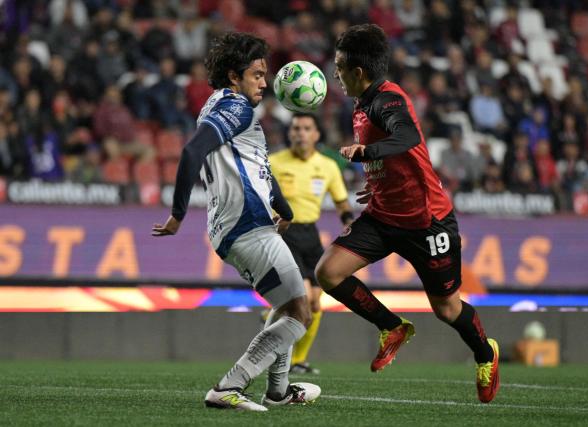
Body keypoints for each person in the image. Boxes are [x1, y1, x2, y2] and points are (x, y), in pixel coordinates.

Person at [314, 24, 500, 403]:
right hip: (384, 216)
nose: (335, 74)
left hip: (426, 222)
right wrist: (377, 180)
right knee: (328, 273)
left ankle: (486, 354)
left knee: (447, 310)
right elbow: (397, 157)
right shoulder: (361, 103)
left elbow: (407, 138)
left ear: (359, 72)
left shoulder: (387, 99)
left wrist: (366, 154)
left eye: (339, 67)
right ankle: (392, 327)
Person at [152, 32, 320, 411]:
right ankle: (231, 384)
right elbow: (192, 152)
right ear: (234, 75)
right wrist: (178, 213)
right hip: (247, 224)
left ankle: (278, 390)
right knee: (301, 311)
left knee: (284, 304)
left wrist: (284, 207)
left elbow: (255, 165)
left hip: (236, 227)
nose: (265, 82)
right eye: (258, 74)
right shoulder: (238, 107)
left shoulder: (219, 105)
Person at [269, 112, 354, 374]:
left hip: (311, 235)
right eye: (296, 128)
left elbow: (341, 202)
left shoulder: (328, 166)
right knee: (303, 298)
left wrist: (350, 224)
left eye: (306, 128)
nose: (300, 133)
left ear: (316, 134)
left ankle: (298, 361)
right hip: (284, 233)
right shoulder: (273, 162)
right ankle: (274, 334)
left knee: (317, 304)